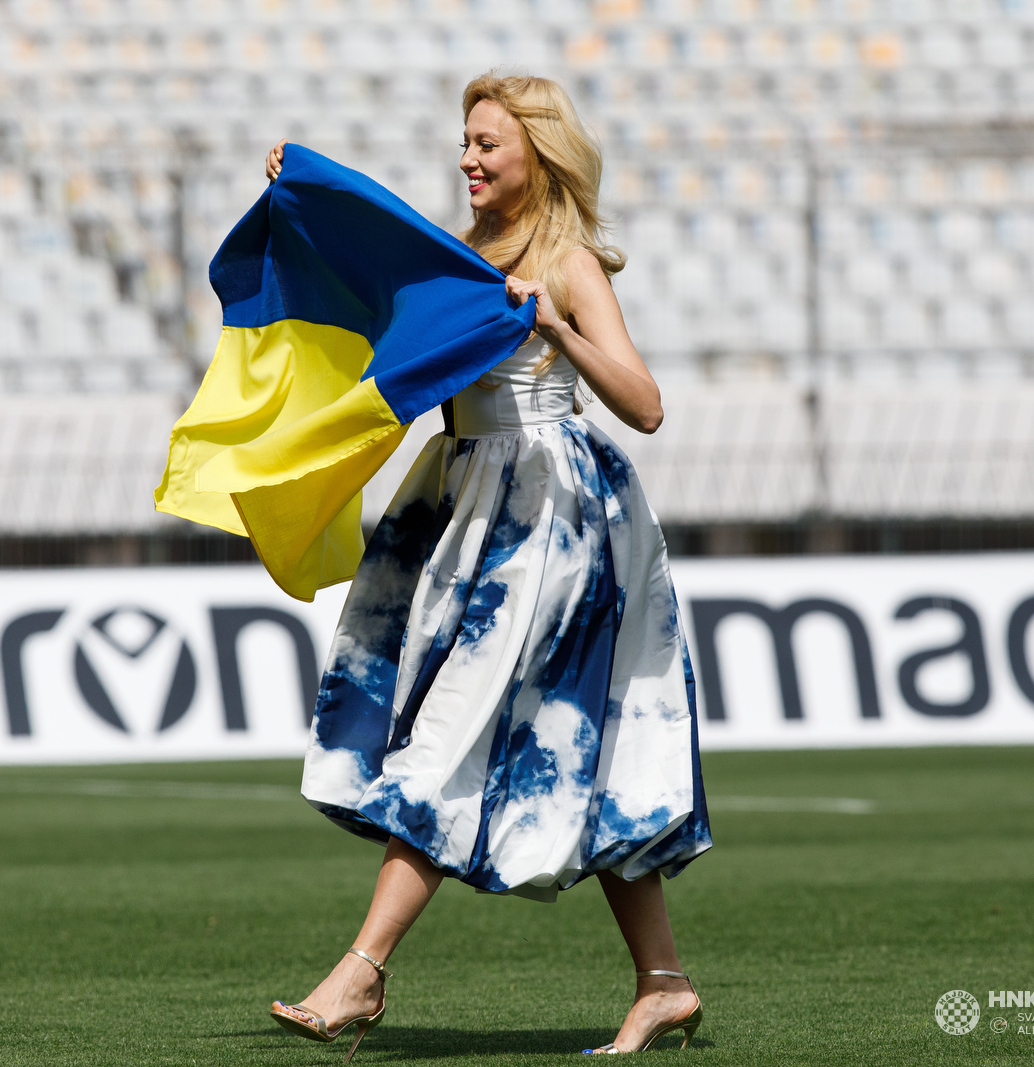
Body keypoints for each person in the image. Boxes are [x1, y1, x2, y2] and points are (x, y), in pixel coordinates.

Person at [263, 72, 712, 1059]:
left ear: (536, 153)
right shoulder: (459, 257)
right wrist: (306, 213)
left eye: (486, 144)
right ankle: (664, 983)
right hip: (468, 506)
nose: (467, 158)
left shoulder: (569, 260)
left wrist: (555, 327)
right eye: (464, 142)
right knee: (581, 750)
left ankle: (361, 972)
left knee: (445, 728)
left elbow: (643, 403)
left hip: (549, 518)